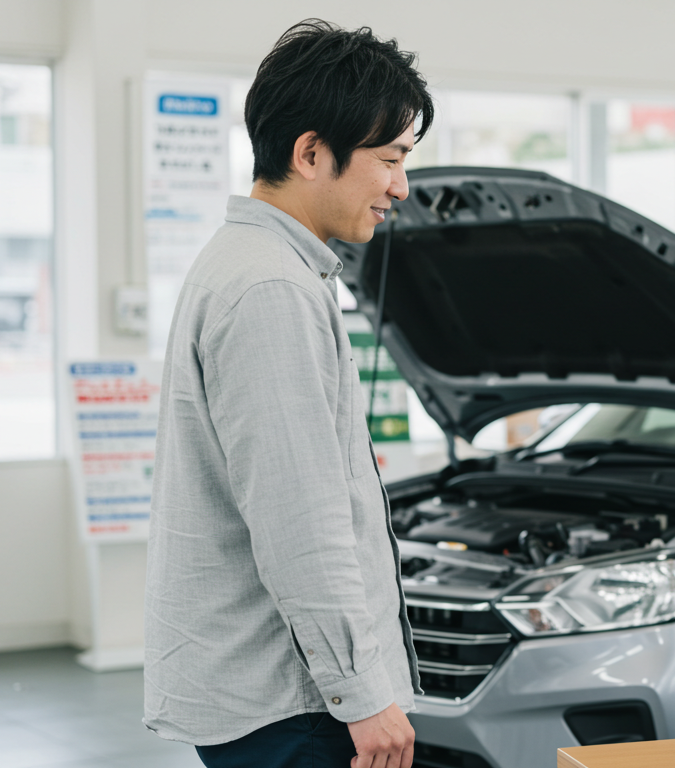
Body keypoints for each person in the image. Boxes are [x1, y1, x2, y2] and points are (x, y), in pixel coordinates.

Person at [144, 19, 434, 768]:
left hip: (276, 699)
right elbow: (298, 520)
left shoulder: (248, 263)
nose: (401, 186)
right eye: (390, 159)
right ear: (310, 153)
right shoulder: (271, 288)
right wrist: (363, 694)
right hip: (297, 706)